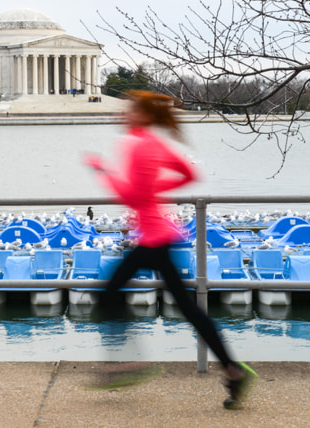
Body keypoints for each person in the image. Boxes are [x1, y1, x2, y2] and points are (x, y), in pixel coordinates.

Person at [85, 90, 257, 409]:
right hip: (162, 234)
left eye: (130, 110)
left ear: (143, 116)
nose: (123, 114)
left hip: (153, 238)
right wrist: (155, 192)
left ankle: (127, 365)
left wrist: (102, 170)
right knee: (189, 309)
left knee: (107, 293)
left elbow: (131, 196)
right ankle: (233, 371)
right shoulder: (155, 143)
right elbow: (190, 174)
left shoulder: (136, 144)